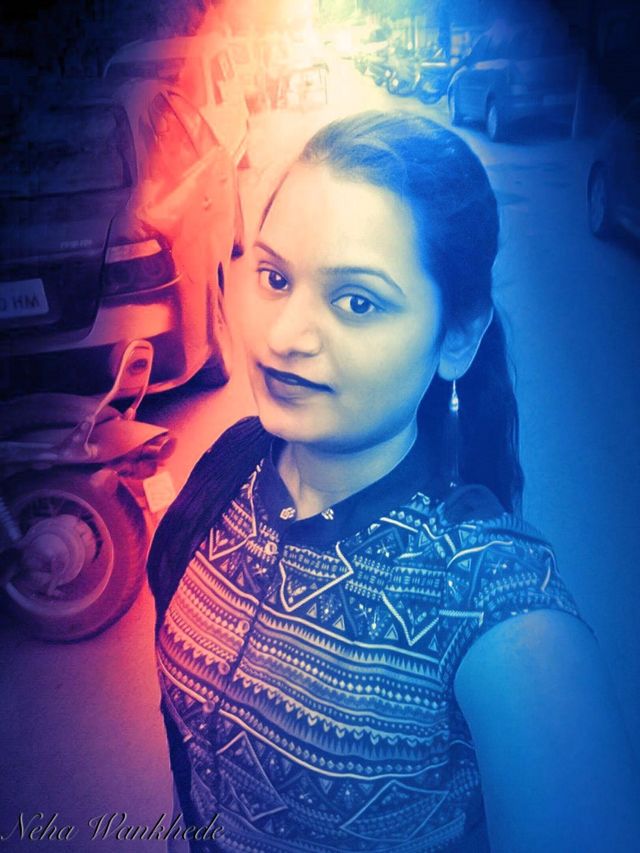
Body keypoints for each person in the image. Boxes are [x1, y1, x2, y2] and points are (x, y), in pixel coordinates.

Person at [147, 112, 640, 852]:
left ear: (457, 336)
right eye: (276, 279)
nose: (283, 336)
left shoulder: (496, 612)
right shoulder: (231, 465)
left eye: (357, 301)